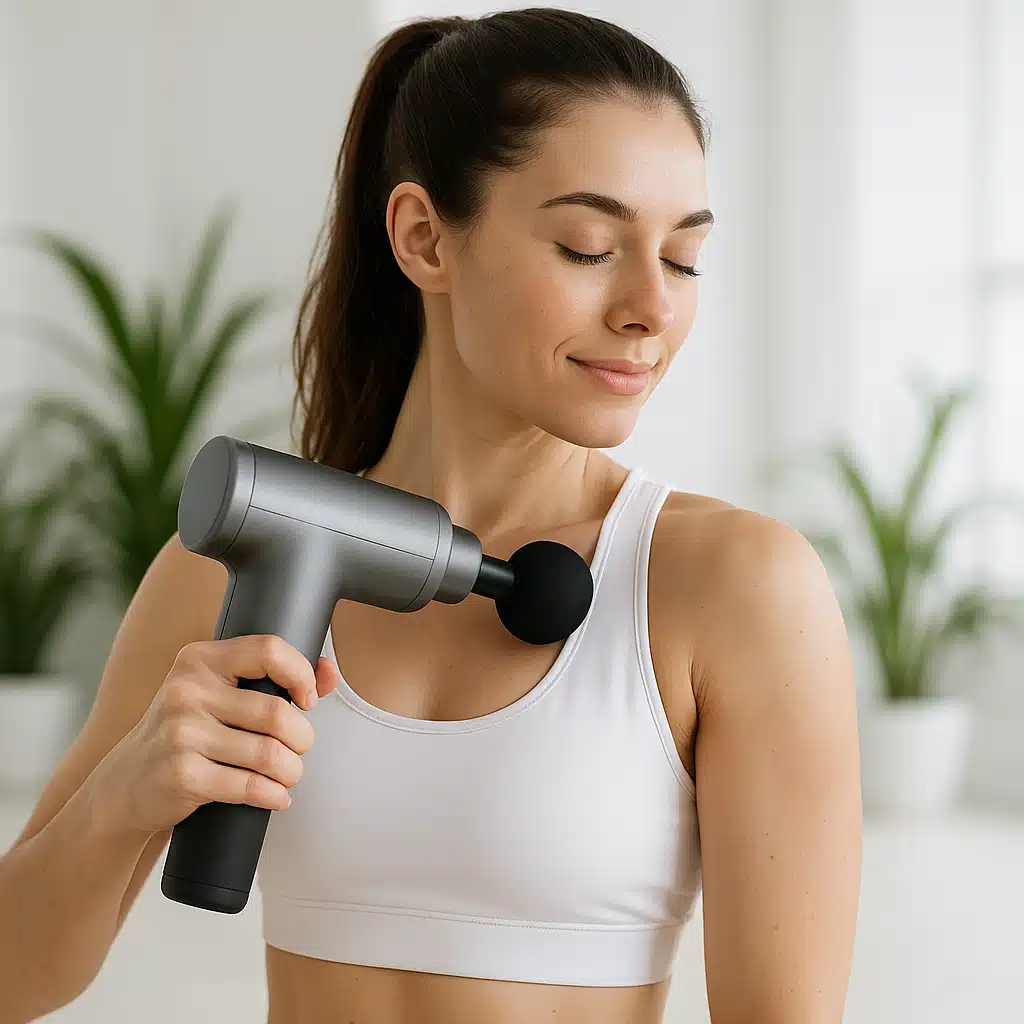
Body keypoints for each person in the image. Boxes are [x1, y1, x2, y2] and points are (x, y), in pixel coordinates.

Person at [0, 8, 861, 1024]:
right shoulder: (230, 569)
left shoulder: (732, 586)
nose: (651, 307)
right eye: (589, 246)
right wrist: (122, 796)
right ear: (423, 237)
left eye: (681, 258)